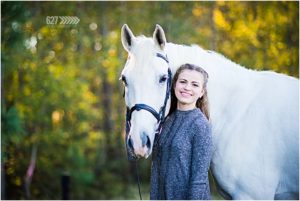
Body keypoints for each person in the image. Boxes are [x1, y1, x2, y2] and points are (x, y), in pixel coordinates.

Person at [150, 63, 212, 200]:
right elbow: (155, 167)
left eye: (195, 84)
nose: (187, 87)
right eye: (183, 82)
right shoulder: (166, 121)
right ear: (174, 85)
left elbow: (199, 179)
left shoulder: (200, 125)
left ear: (202, 92)